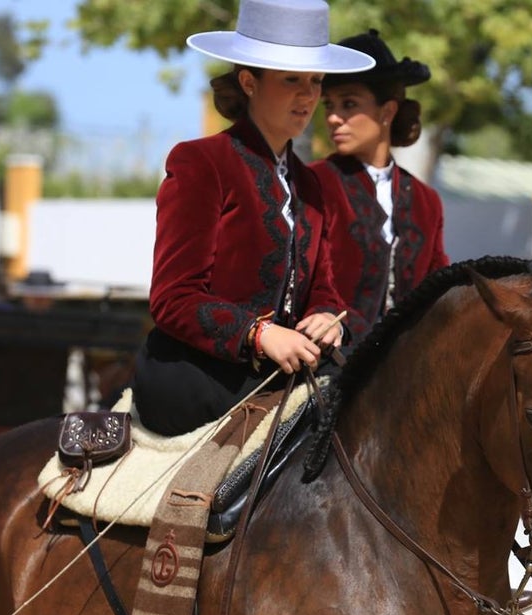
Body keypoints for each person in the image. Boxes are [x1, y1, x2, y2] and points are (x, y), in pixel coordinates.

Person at [131, 0, 374, 436]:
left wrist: (326, 316)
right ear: (248, 82)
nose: (309, 95)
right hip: (195, 372)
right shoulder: (201, 162)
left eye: (316, 81)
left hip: (283, 374)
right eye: (292, 79)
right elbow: (173, 297)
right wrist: (258, 334)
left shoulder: (311, 183)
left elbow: (324, 287)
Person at [310, 29, 449, 345]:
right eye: (329, 105)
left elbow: (439, 288)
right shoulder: (314, 182)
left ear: (387, 111)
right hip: (328, 354)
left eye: (348, 104)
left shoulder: (426, 201)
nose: (333, 118)